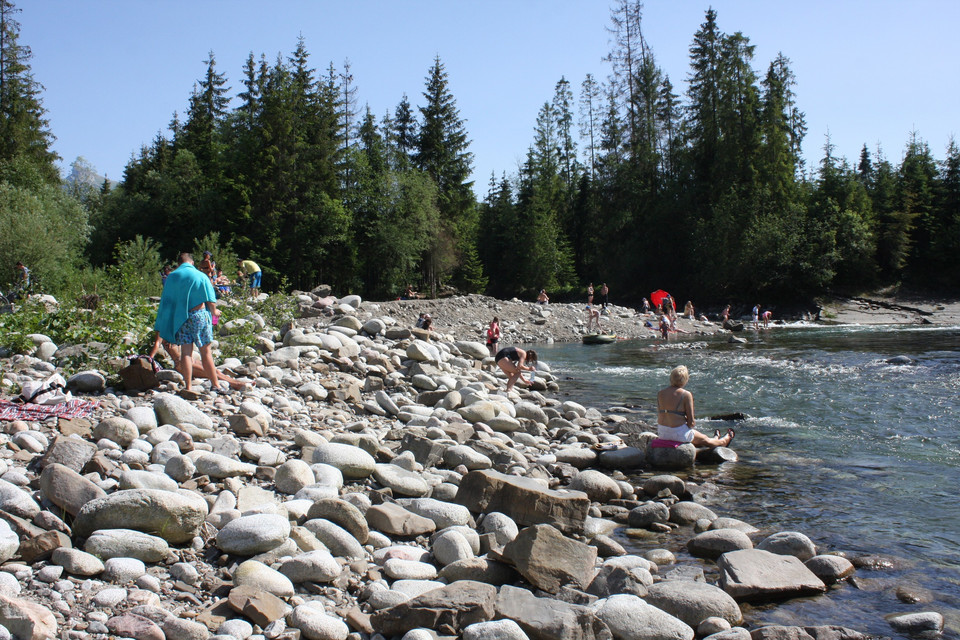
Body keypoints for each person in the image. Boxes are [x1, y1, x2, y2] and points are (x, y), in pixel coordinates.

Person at [154, 253, 222, 399]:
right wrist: (215, 311)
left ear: (179, 264)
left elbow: (167, 300)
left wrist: (164, 322)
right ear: (191, 262)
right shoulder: (200, 275)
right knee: (206, 351)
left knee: (186, 352)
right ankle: (215, 385)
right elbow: (210, 297)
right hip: (199, 315)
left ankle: (188, 386)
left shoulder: (171, 277)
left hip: (181, 318)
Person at [657, 365, 734, 447]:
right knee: (705, 439)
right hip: (678, 434)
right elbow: (691, 423)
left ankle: (715, 437)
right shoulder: (686, 394)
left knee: (696, 436)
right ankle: (725, 440)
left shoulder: (660, 393)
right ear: (685, 379)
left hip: (663, 433)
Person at [149, 332, 247, 390]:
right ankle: (236, 384)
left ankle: (236, 382)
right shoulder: (163, 329)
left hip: (191, 359)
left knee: (215, 371)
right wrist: (150, 358)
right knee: (211, 374)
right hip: (180, 362)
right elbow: (157, 344)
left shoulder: (179, 324)